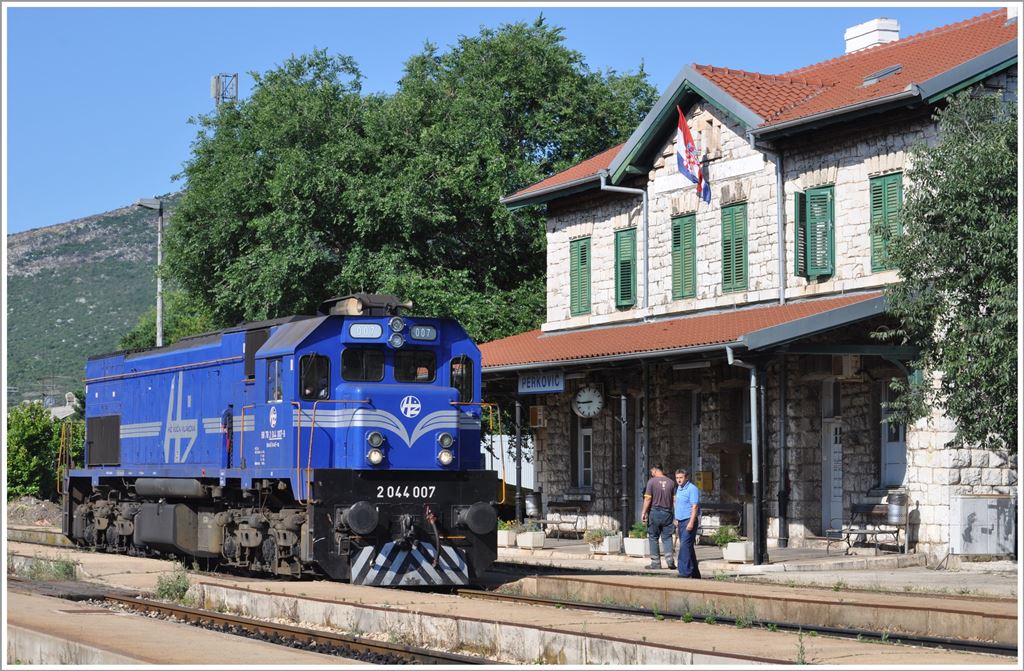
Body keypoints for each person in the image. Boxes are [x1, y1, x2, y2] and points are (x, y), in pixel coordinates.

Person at [641, 463, 677, 570]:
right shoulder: (671, 482)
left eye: (652, 472)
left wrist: (643, 512)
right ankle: (670, 560)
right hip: (667, 513)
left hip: (655, 513)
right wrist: (676, 515)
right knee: (667, 537)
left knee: (653, 537)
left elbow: (647, 499)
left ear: (656, 470)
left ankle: (656, 563)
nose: (651, 474)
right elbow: (675, 501)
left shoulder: (651, 482)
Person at [674, 468, 701, 579]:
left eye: (681, 478)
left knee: (684, 546)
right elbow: (676, 503)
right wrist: (676, 518)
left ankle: (684, 572)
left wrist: (691, 522)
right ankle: (695, 573)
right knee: (688, 546)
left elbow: (694, 506)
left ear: (686, 478)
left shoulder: (692, 489)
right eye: (677, 478)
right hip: (680, 521)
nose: (679, 480)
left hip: (689, 520)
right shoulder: (679, 489)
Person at [222, 404, 234, 468]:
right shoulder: (232, 411)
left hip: (230, 430)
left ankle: (230, 464)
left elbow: (224, 416)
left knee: (229, 447)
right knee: (230, 447)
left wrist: (223, 426)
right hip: (232, 429)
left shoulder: (228, 411)